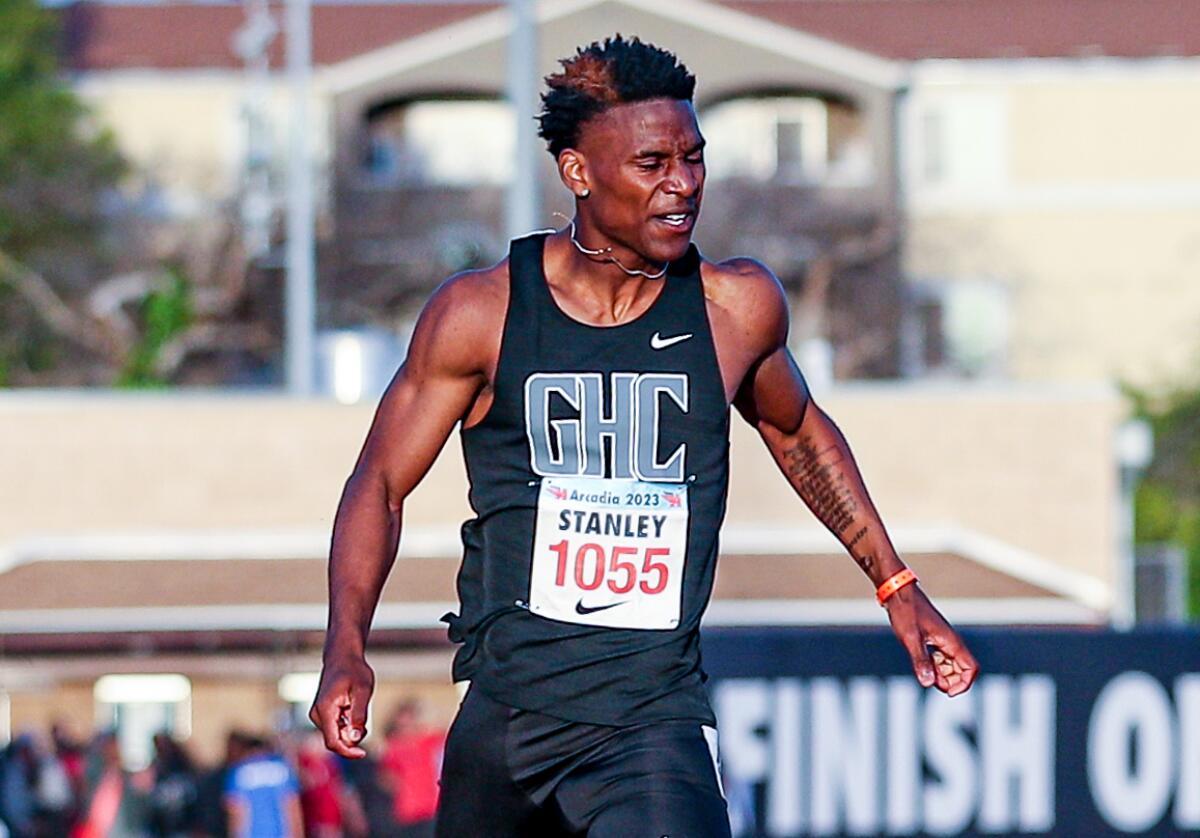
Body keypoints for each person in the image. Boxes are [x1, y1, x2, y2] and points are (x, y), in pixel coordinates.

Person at [311, 34, 978, 838]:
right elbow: (378, 484)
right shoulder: (481, 315)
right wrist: (346, 644)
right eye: (653, 163)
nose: (683, 185)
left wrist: (896, 587)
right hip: (508, 717)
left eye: (694, 159)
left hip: (652, 718)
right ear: (579, 173)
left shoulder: (735, 309)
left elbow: (798, 433)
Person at [378, 700, 442, 838]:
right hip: (407, 812)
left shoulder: (427, 741)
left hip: (429, 809)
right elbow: (386, 777)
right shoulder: (394, 747)